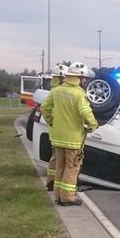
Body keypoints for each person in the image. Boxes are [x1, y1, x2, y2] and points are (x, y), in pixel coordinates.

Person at [41, 62, 98, 206]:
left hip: (58, 138)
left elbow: (45, 107)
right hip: (73, 139)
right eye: (84, 78)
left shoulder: (56, 91)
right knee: (72, 168)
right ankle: (67, 198)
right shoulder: (79, 93)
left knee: (60, 166)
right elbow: (85, 112)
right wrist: (93, 125)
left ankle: (58, 196)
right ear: (78, 77)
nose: (85, 81)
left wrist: (52, 122)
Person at [45, 63, 69, 192]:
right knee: (62, 160)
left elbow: (45, 108)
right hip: (61, 130)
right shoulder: (62, 92)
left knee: (54, 157)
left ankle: (51, 180)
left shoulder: (53, 91)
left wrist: (51, 122)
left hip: (54, 130)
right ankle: (57, 183)